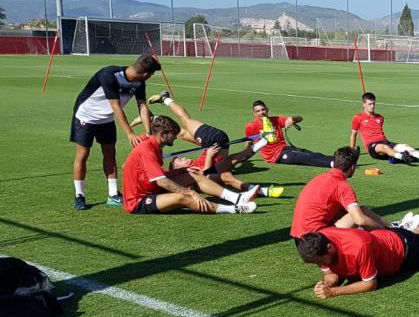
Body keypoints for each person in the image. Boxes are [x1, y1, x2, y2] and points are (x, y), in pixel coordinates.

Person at [295, 219, 419, 300]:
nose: (321, 266)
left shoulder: (359, 247)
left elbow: (370, 284)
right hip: (384, 237)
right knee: (418, 232)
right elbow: (330, 272)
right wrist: (328, 283)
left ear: (330, 247)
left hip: (403, 250)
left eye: (321, 262)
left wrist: (334, 293)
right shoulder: (321, 239)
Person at [70, 54, 161, 211]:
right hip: (86, 116)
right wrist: (130, 133)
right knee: (83, 155)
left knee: (110, 153)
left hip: (106, 119)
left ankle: (113, 194)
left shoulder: (140, 82)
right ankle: (79, 196)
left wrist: (148, 133)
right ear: (146, 74)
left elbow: (142, 106)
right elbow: (116, 107)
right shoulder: (109, 75)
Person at [153, 91, 284, 198]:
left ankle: (265, 140)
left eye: (180, 157)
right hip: (213, 149)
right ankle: (165, 99)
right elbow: (204, 175)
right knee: (186, 120)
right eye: (180, 160)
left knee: (183, 132)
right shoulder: (185, 174)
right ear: (175, 168)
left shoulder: (193, 164)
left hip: (213, 148)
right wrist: (209, 156)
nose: (183, 158)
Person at [122, 115, 257, 215]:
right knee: (181, 196)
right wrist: (191, 193)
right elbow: (162, 182)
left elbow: (160, 177)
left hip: (153, 189)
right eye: (173, 135)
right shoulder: (146, 150)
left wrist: (184, 170)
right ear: (162, 134)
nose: (176, 137)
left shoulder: (156, 145)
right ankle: (233, 209)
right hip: (138, 201)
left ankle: (237, 198)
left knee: (193, 173)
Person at [291, 147, 412, 238]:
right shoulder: (342, 186)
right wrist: (384, 230)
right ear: (352, 168)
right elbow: (359, 220)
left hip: (299, 238)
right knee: (359, 214)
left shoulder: (321, 177)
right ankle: (395, 231)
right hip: (315, 240)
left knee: (354, 212)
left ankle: (394, 226)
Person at [350, 92, 419, 164]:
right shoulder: (358, 118)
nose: (372, 106)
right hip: (372, 146)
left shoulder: (380, 118)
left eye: (374, 103)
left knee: (404, 146)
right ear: (364, 104)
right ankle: (401, 156)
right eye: (369, 104)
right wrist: (352, 152)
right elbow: (353, 135)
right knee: (385, 147)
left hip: (385, 141)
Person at [245, 100, 334, 168]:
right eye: (258, 111)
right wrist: (242, 157)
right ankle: (334, 164)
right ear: (254, 113)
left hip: (285, 148)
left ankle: (339, 160)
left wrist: (291, 118)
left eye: (263, 109)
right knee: (305, 158)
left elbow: (300, 118)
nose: (261, 113)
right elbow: (249, 143)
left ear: (267, 110)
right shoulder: (251, 126)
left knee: (312, 154)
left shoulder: (276, 120)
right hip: (275, 156)